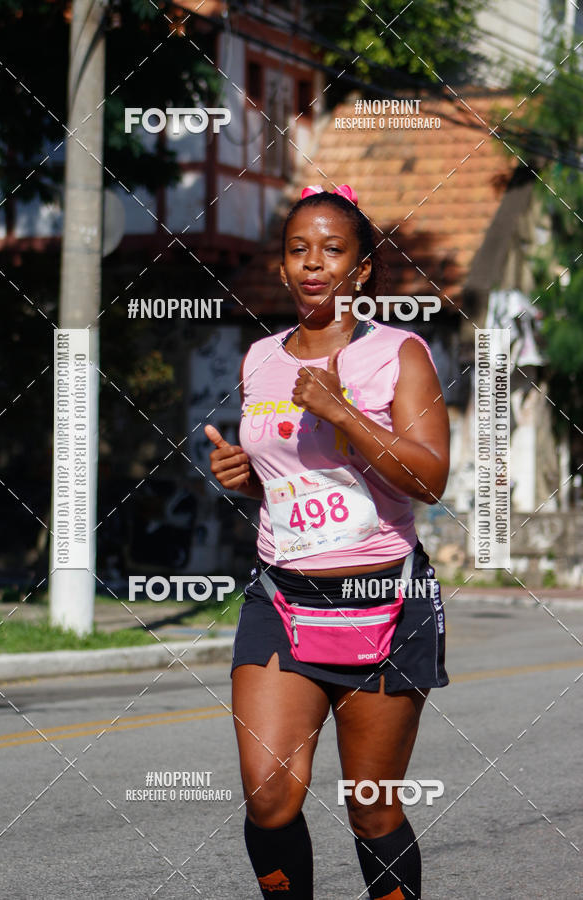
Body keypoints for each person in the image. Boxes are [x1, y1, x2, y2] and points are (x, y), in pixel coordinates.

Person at [205, 183, 450, 900]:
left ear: (363, 268)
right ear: (282, 268)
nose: (314, 264)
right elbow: (293, 477)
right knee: (269, 797)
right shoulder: (260, 359)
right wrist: (245, 478)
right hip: (281, 596)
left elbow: (428, 479)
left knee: (371, 808)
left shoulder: (398, 353)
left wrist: (342, 411)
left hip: (383, 601)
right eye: (299, 250)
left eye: (333, 250)